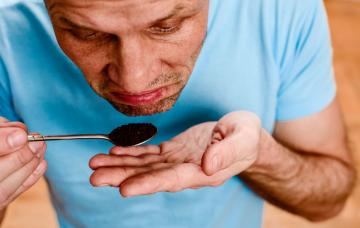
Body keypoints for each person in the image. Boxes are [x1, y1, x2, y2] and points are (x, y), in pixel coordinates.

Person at [0, 0, 356, 227]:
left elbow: (328, 201)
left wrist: (261, 156)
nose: (134, 80)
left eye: (166, 26)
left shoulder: (281, 10)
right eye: (86, 33)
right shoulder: (6, 30)